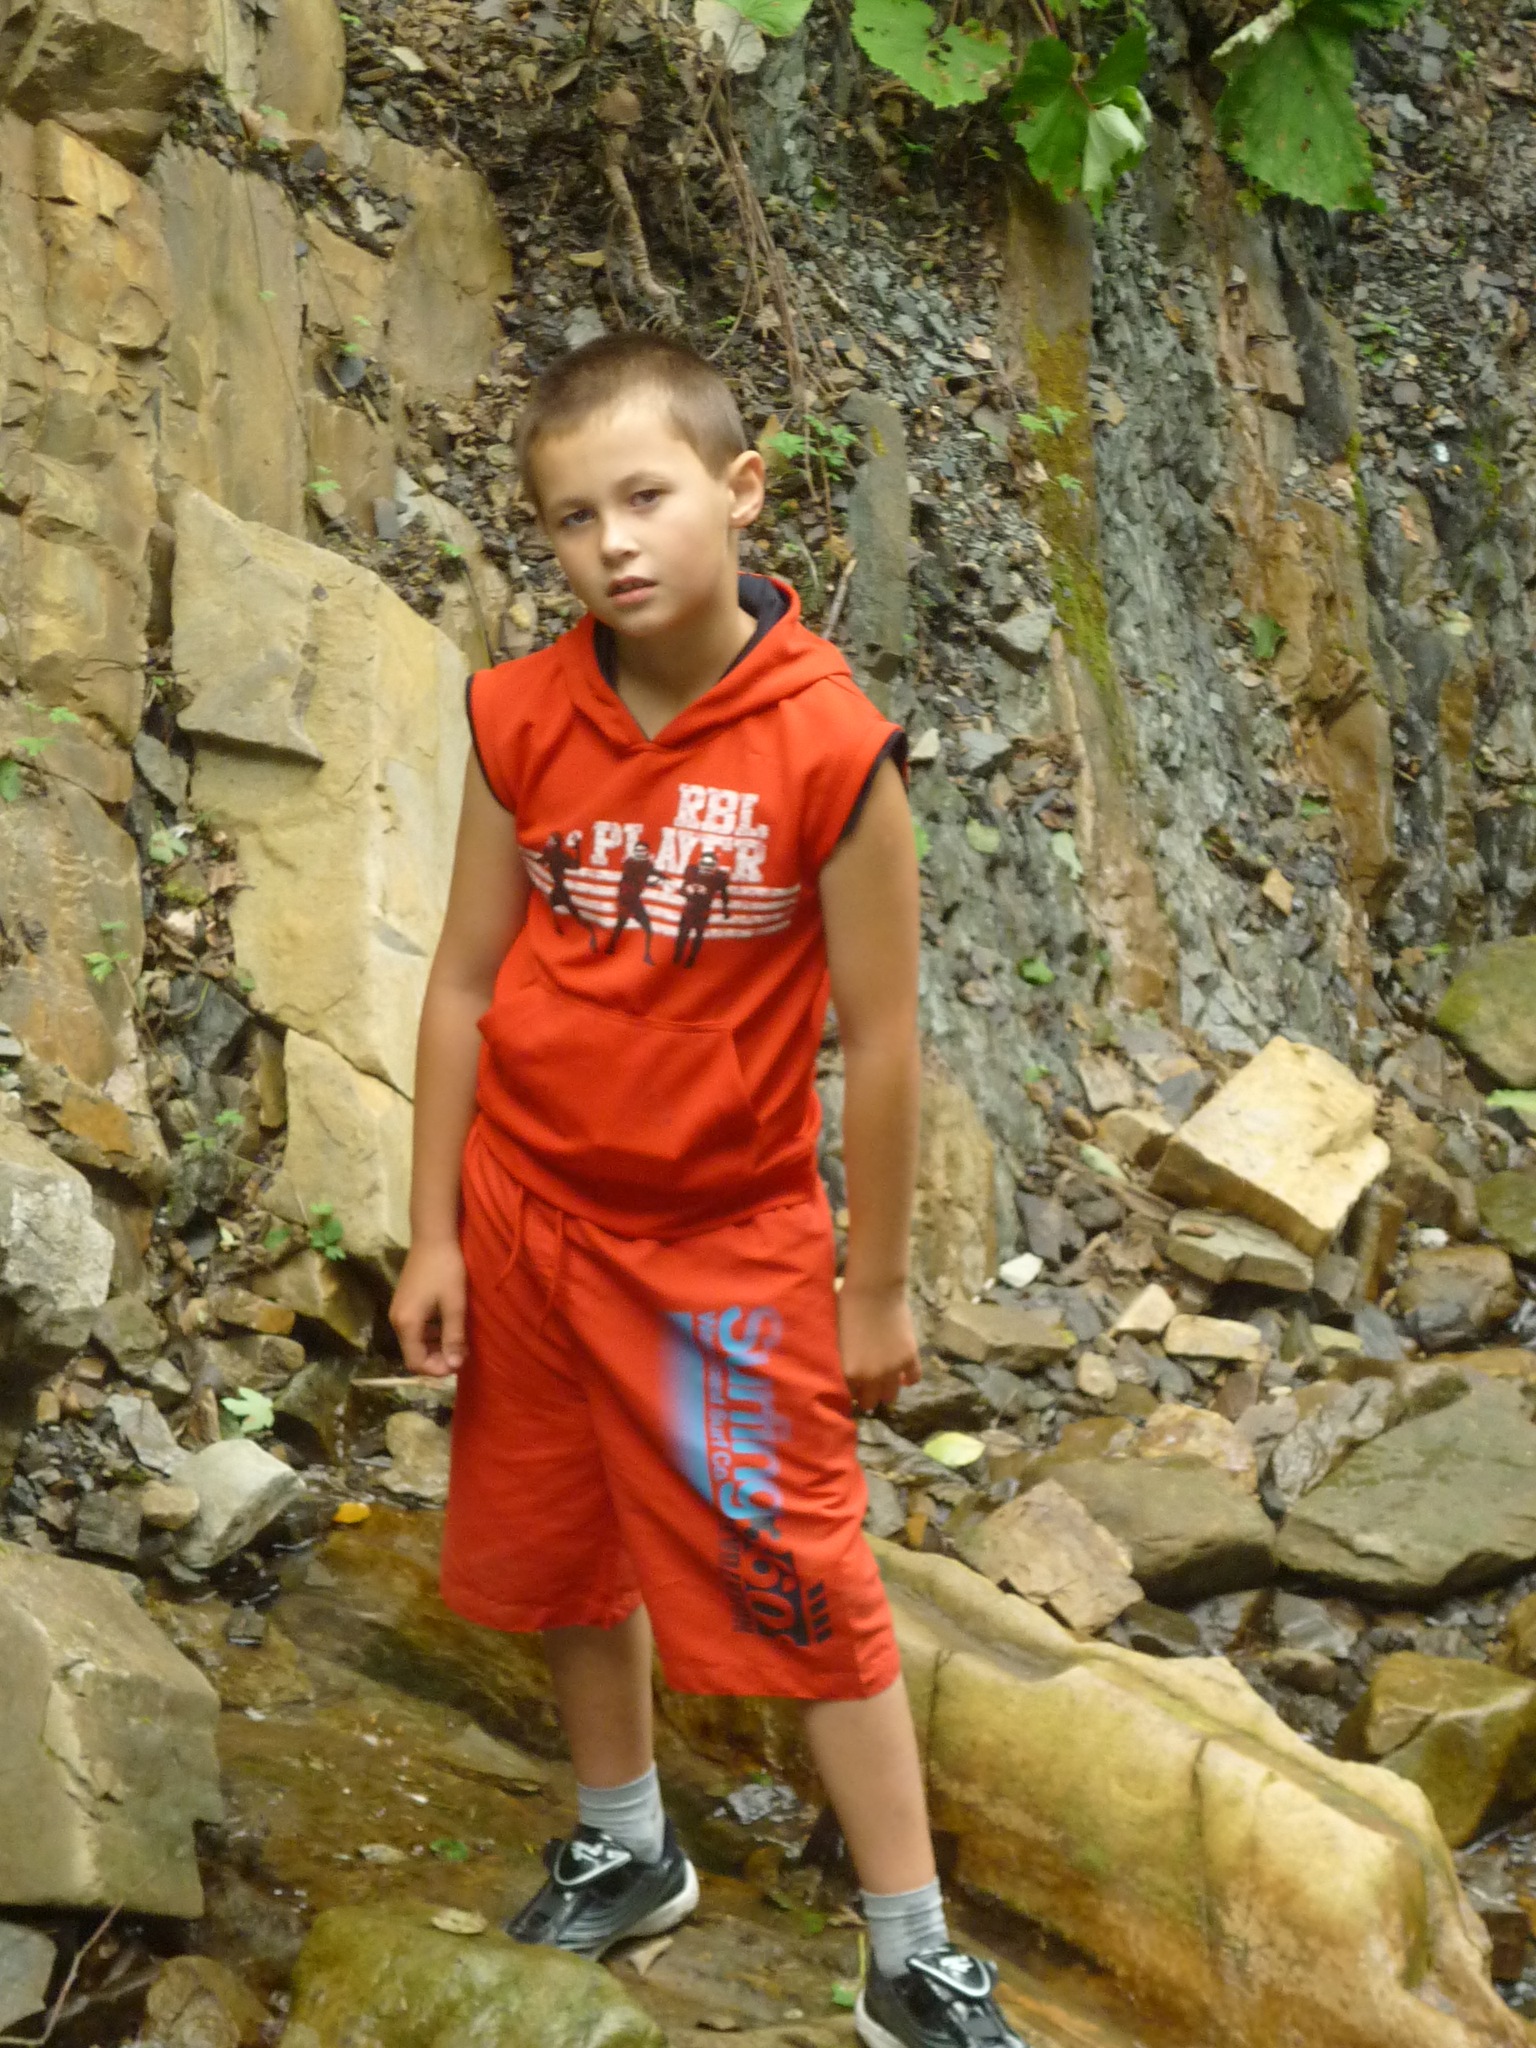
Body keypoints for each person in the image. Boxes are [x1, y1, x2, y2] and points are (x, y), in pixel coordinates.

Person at [389, 331, 1031, 2048]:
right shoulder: (523, 713)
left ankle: (910, 1951)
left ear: (740, 492)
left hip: (722, 1241)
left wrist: (874, 1287)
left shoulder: (831, 746)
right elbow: (463, 980)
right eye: (571, 516)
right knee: (559, 1534)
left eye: (647, 497)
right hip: (529, 1209)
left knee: (805, 1568)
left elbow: (881, 1042)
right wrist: (436, 1229)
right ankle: (627, 1843)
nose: (613, 543)